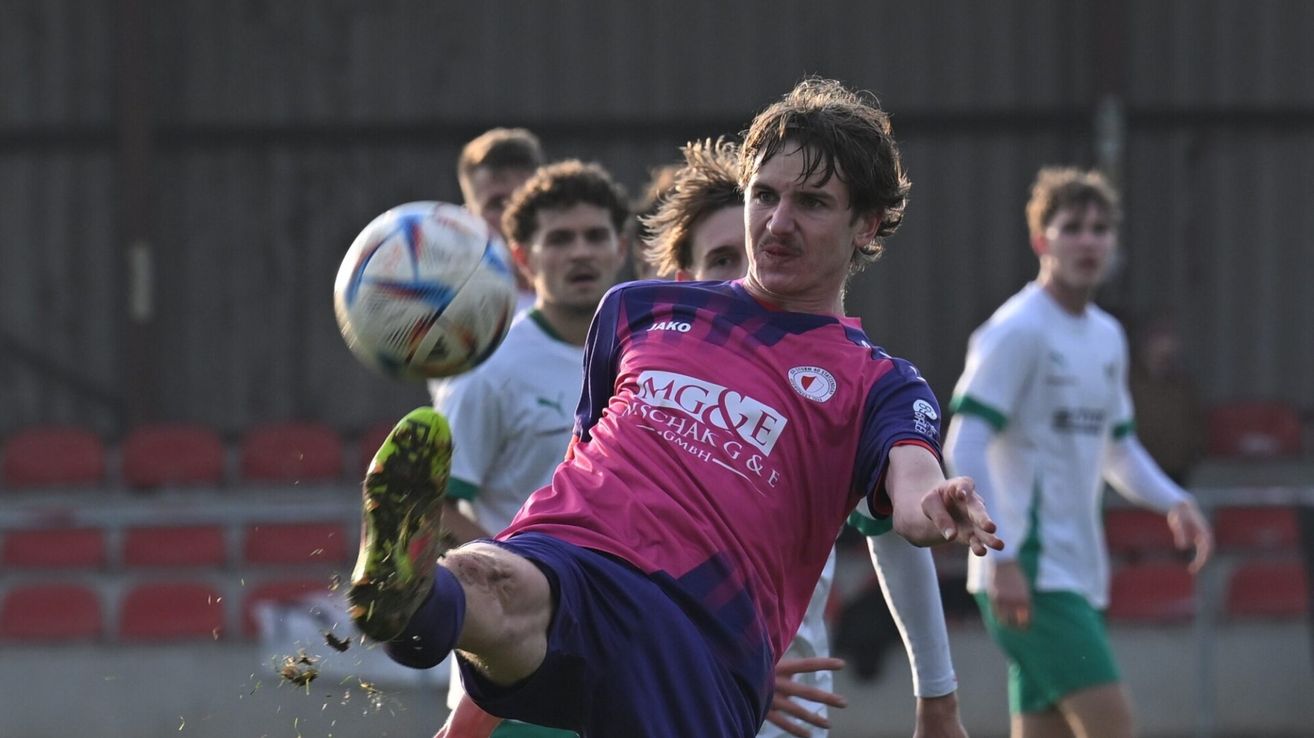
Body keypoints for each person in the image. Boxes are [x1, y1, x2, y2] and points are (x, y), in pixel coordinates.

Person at [348, 77, 1001, 738]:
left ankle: (421, 605)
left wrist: (934, 505)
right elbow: (586, 462)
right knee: (483, 579)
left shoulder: (878, 380)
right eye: (764, 195)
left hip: (698, 634)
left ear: (865, 225)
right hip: (579, 558)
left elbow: (912, 483)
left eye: (811, 203)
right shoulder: (636, 309)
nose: (777, 224)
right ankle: (410, 601)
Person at [643, 136, 965, 738]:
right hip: (650, 695)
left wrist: (937, 695)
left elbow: (893, 531)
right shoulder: (639, 387)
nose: (749, 271)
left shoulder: (847, 385)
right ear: (684, 279)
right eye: (721, 261)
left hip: (781, 713)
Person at [943, 166, 1214, 738]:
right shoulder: (1016, 330)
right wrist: (1003, 556)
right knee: (1113, 726)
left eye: (1099, 228)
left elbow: (1117, 448)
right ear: (1042, 241)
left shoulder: (1107, 336)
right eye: (1072, 227)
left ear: (1113, 243)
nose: (1088, 240)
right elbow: (963, 441)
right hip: (1031, 573)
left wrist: (1174, 500)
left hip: (1080, 574)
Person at [431, 159, 630, 737]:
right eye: (559, 239)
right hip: (515, 684)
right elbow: (435, 507)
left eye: (595, 236)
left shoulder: (652, 362)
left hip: (626, 668)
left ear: (621, 248)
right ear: (523, 257)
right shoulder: (488, 370)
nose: (580, 253)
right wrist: (514, 581)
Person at [457, 127, 545, 309]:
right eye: (498, 204)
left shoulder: (590, 311)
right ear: (468, 217)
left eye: (524, 201)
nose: (514, 216)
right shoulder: (449, 313)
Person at [1126, 313, 1207, 486]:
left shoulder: (1183, 384)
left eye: (1169, 338)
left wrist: (1193, 452)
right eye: (1159, 338)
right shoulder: (1128, 382)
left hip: (1177, 473)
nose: (1165, 345)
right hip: (1134, 475)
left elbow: (1195, 422)